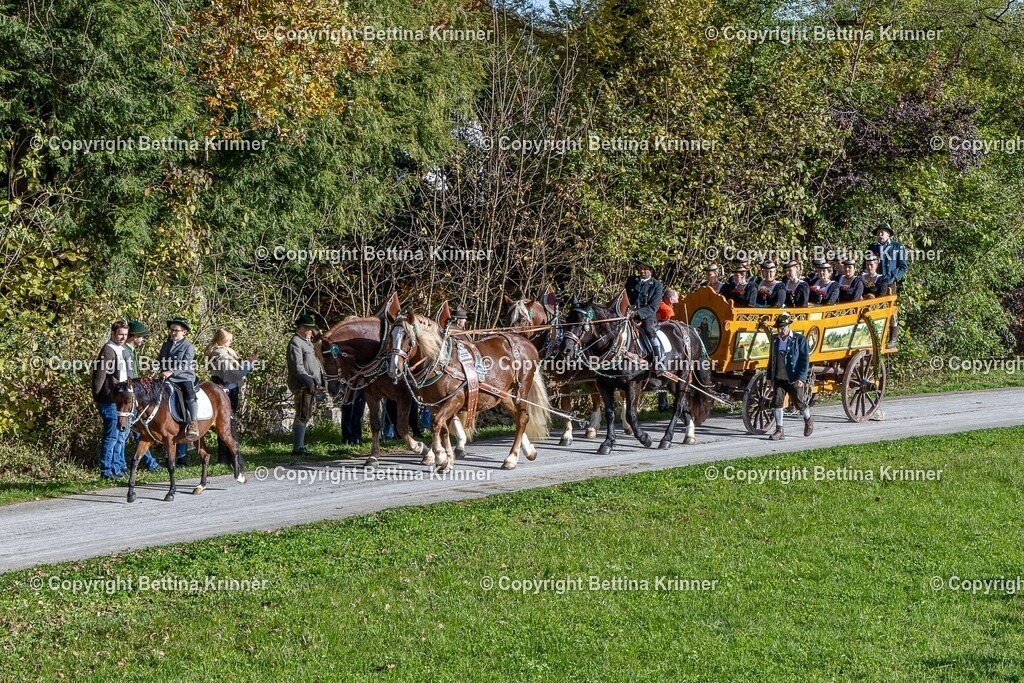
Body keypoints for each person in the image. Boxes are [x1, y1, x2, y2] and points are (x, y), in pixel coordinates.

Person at [206, 329, 257, 464]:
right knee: (228, 423)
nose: (230, 342)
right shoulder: (223, 356)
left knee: (221, 424)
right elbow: (236, 374)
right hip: (228, 391)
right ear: (223, 341)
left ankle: (223, 455)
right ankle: (230, 454)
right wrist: (250, 364)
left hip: (220, 389)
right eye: (229, 340)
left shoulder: (214, 353)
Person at [91, 320, 131, 478]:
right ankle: (106, 470)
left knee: (120, 435)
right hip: (109, 399)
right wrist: (97, 397)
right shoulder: (108, 350)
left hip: (122, 400)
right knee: (112, 436)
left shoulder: (122, 350)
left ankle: (116, 467)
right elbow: (99, 377)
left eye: (125, 335)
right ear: (113, 333)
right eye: (120, 334)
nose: (123, 337)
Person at [766, 312, 813, 441]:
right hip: (779, 377)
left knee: (798, 403)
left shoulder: (799, 340)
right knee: (777, 402)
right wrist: (769, 376)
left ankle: (808, 419)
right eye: (778, 328)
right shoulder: (775, 340)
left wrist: (801, 378)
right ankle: (779, 430)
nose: (780, 331)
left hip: (793, 378)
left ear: (788, 327)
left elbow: (804, 361)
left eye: (783, 328)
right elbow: (771, 359)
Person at [124, 320, 161, 472]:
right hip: (129, 397)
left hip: (135, 395)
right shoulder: (125, 351)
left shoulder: (132, 351)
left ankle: (150, 463)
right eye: (142, 337)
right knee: (126, 434)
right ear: (135, 336)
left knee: (140, 431)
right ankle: (121, 466)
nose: (143, 339)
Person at [287, 313, 326, 455]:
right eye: (309, 329)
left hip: (310, 384)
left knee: (306, 414)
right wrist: (309, 381)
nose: (311, 331)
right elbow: (297, 367)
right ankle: (298, 448)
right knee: (302, 415)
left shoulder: (307, 342)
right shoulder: (295, 343)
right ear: (301, 328)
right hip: (302, 385)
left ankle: (300, 446)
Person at [156, 316, 200, 441]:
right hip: (166, 377)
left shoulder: (188, 346)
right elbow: (159, 359)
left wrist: (171, 371)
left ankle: (193, 423)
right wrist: (155, 367)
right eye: (172, 330)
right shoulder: (166, 345)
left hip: (183, 377)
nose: (173, 333)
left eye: (176, 330)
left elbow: (185, 364)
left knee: (189, 394)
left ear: (184, 332)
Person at [868, 222, 908, 347]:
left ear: (888, 234)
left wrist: (893, 278)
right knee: (872, 306)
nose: (880, 234)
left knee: (891, 310)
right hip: (875, 282)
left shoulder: (897, 246)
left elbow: (903, 267)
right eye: (878, 232)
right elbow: (866, 265)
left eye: (882, 232)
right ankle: (872, 336)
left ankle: (893, 339)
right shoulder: (872, 247)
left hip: (890, 283)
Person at [625, 262, 665, 369]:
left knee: (648, 330)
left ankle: (659, 361)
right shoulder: (631, 281)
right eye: (641, 268)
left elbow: (653, 306)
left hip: (647, 315)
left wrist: (637, 313)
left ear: (651, 270)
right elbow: (625, 298)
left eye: (645, 269)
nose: (642, 271)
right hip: (629, 313)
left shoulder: (657, 285)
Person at [656, 290, 679, 410]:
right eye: (676, 298)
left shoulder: (661, 305)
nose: (678, 301)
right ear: (670, 299)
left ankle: (663, 403)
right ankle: (663, 403)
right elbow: (671, 327)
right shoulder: (667, 309)